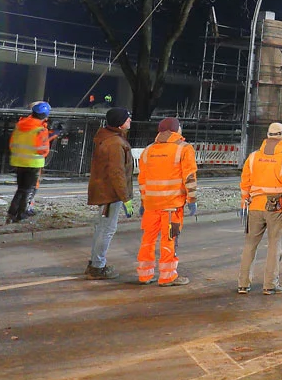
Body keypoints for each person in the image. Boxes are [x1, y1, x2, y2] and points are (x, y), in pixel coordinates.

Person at [137, 117, 198, 286]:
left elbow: (142, 179)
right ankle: (167, 276)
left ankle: (145, 274)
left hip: (150, 205)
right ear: (176, 130)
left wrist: (143, 201)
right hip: (172, 206)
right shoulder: (184, 149)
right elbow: (189, 176)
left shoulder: (148, 150)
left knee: (148, 239)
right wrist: (192, 199)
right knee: (170, 238)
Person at [238, 122, 282, 295]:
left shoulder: (253, 156)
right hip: (276, 207)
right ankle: (270, 284)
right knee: (274, 245)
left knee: (249, 245)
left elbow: (245, 183)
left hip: (254, 205)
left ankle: (243, 284)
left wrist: (244, 202)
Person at [85, 107, 135, 280]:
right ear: (120, 123)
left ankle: (95, 263)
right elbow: (117, 173)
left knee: (101, 228)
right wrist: (125, 197)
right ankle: (97, 267)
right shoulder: (115, 143)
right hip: (111, 194)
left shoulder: (110, 138)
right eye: (128, 119)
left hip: (106, 191)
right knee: (107, 230)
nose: (130, 121)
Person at [7, 102, 51, 223]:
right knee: (27, 190)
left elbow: (12, 144)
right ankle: (21, 213)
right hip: (33, 164)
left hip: (18, 161)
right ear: (44, 115)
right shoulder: (41, 130)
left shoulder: (20, 125)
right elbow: (43, 150)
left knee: (20, 189)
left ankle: (12, 212)